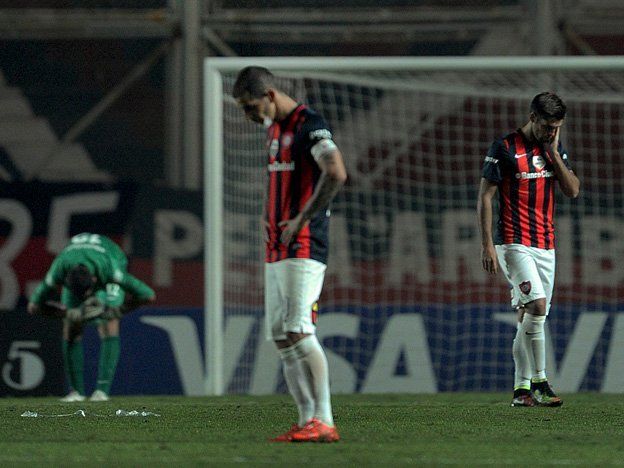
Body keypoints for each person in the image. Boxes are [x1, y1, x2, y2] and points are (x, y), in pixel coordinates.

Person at [233, 66, 347, 442]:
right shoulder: (273, 130)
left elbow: (336, 172)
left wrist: (302, 217)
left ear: (269, 95)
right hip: (277, 244)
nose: (248, 116)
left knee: (299, 329)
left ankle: (325, 420)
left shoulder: (309, 124)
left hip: (304, 243)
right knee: (281, 336)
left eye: (250, 107)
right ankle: (306, 420)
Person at [478, 92, 580, 407]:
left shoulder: (553, 148)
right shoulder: (504, 147)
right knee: (537, 305)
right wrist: (487, 245)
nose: (552, 132)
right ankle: (540, 383)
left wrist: (554, 152)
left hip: (546, 244)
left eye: (557, 127)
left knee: (530, 316)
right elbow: (485, 196)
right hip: (513, 241)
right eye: (547, 126)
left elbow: (572, 190)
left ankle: (521, 391)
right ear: (532, 117)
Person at [28, 233, 156, 402]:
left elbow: (148, 295)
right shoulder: (59, 270)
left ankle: (102, 392)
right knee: (71, 327)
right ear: (66, 282)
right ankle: (76, 392)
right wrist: (67, 313)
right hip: (81, 260)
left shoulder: (111, 271)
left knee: (108, 323)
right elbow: (33, 307)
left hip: (110, 257)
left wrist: (117, 311)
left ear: (95, 280)